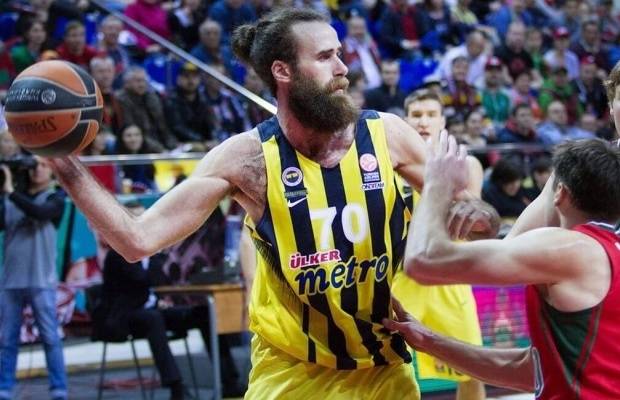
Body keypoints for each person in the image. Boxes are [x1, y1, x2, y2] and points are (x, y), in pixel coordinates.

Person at [46, 9, 500, 399]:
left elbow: (481, 220)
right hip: (291, 374)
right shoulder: (246, 159)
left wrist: (471, 213)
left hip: (383, 370)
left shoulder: (389, 135)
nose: (343, 68)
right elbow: (136, 240)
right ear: (283, 71)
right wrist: (63, 164)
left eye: (340, 54)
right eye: (325, 57)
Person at [387, 133, 620, 399]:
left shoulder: (569, 249)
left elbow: (423, 260)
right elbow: (530, 370)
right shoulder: (606, 251)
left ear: (560, 193)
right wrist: (430, 341)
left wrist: (436, 184)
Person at [93, 200, 242, 400]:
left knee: (203, 313)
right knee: (153, 318)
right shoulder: (118, 253)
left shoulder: (154, 253)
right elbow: (141, 278)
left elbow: (165, 279)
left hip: (152, 311)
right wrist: (155, 255)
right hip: (122, 316)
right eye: (137, 219)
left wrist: (159, 255)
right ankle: (176, 387)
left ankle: (229, 381)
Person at [393, 89, 486, 400]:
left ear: (442, 121)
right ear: (406, 121)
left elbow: (471, 224)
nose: (423, 121)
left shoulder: (467, 164)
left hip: (447, 277)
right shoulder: (390, 166)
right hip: (401, 278)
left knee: (472, 369)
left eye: (431, 115)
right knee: (388, 367)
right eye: (416, 115)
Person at [0, 158, 68, 400]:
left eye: (44, 165)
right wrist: (6, 189)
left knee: (50, 337)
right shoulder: (9, 199)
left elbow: (40, 213)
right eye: (34, 165)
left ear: (52, 172)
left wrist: (10, 192)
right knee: (7, 340)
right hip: (11, 280)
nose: (37, 169)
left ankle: (59, 388)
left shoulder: (55, 198)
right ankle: (4, 388)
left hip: (41, 280)